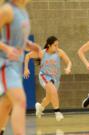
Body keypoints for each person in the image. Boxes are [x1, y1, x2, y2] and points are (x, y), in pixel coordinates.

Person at [0, 0, 40, 134]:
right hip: (5, 63)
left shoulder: (23, 11)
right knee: (20, 100)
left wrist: (29, 45)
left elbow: (16, 38)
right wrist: (6, 48)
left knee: (7, 103)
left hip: (16, 64)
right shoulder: (7, 10)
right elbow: (6, 42)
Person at [24, 36, 72, 121]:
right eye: (55, 45)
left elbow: (68, 62)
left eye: (58, 45)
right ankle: (57, 112)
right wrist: (26, 68)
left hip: (55, 78)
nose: (57, 47)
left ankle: (40, 107)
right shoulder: (42, 53)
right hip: (44, 75)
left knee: (49, 98)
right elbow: (27, 56)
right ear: (49, 45)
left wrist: (68, 68)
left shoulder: (60, 52)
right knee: (52, 90)